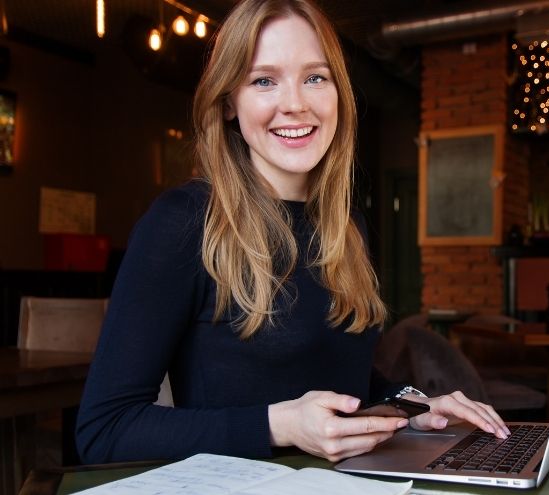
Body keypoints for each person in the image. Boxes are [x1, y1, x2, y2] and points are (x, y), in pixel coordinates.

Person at [76, 0, 509, 464]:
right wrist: (278, 426)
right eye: (264, 80)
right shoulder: (182, 222)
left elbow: (349, 380)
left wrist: (415, 404)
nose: (296, 104)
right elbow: (105, 430)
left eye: (315, 77)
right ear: (227, 102)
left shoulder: (346, 226)